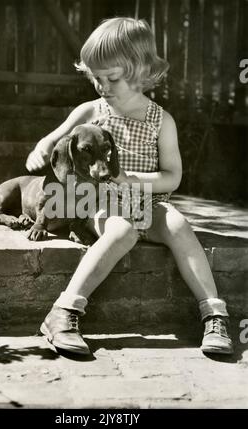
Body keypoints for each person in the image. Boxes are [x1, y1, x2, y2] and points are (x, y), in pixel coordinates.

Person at [26, 17, 233, 355]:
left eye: (112, 77)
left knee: (178, 223)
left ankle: (214, 314)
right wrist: (39, 150)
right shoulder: (92, 110)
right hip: (99, 200)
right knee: (121, 230)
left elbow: (172, 177)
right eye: (96, 77)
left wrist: (131, 180)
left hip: (146, 201)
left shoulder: (162, 121)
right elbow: (52, 141)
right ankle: (63, 311)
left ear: (140, 71)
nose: (102, 86)